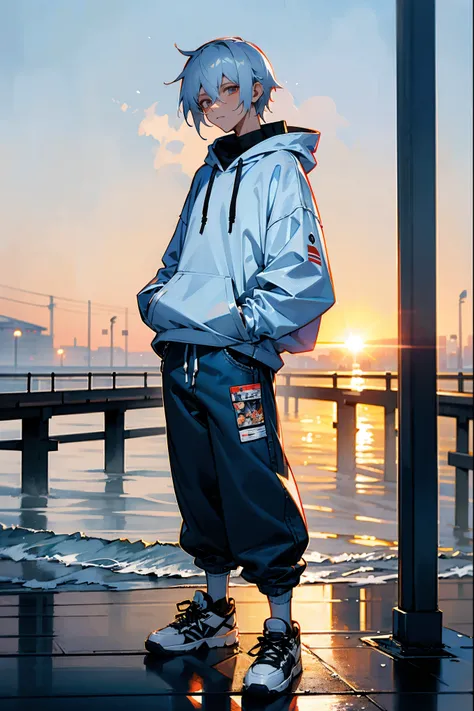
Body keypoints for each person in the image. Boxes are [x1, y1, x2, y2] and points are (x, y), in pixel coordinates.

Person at [137, 36, 335, 696]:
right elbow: (169, 265)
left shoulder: (281, 172)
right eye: (201, 98)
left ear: (252, 86)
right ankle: (215, 613)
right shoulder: (206, 175)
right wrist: (158, 305)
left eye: (220, 90)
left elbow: (305, 276)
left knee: (254, 481)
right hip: (184, 360)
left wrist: (238, 321)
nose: (212, 105)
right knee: (199, 484)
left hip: (236, 361)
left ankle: (279, 628)